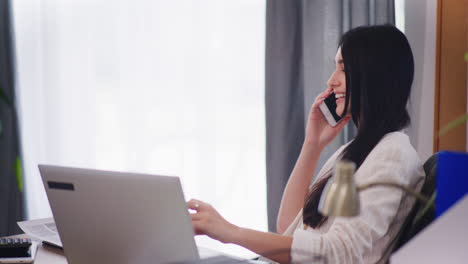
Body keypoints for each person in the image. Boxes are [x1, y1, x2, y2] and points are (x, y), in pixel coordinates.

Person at [187, 24, 425, 263]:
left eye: (343, 69)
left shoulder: (393, 153)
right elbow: (290, 225)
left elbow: (340, 254)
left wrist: (231, 233)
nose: (331, 81)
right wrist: (312, 145)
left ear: (375, 76)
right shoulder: (355, 151)